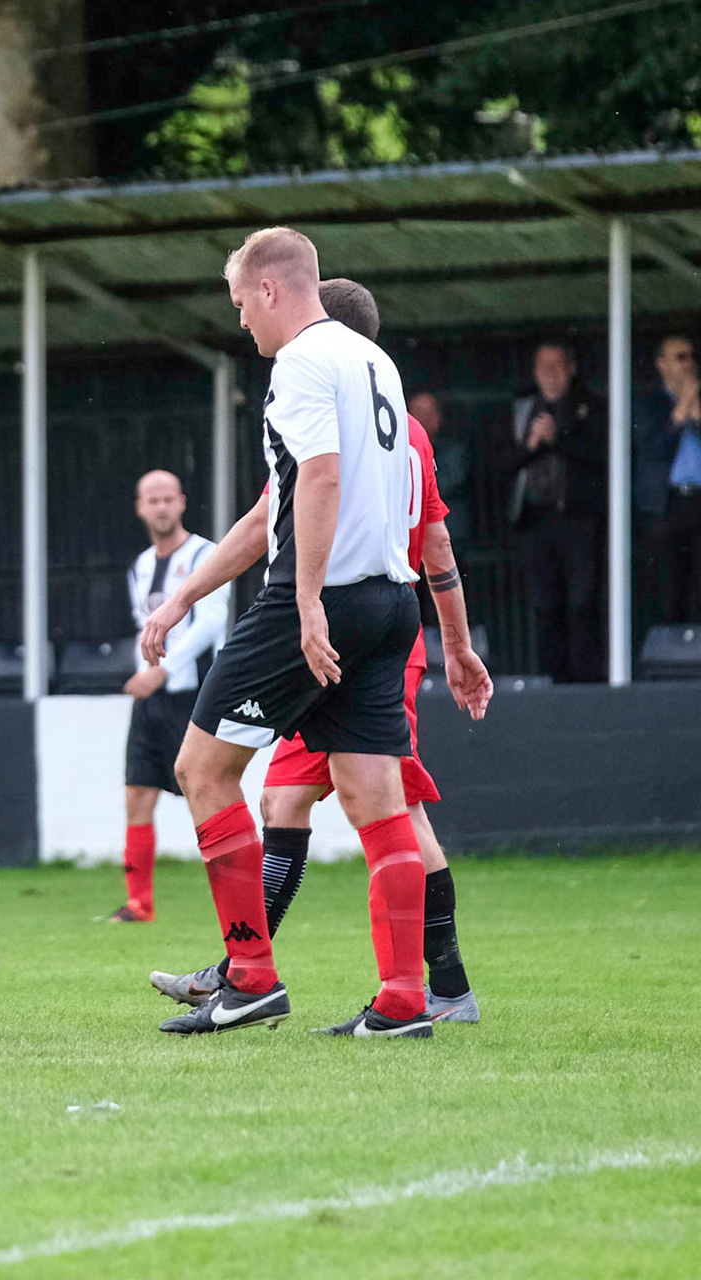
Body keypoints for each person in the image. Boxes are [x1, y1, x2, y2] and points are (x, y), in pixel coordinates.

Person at [149, 278, 493, 1024]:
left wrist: (301, 600)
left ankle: (250, 974)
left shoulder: (309, 372)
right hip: (391, 611)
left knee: (206, 770)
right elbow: (431, 542)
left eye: (243, 301)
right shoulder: (398, 406)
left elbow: (297, 500)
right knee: (371, 802)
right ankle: (409, 995)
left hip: (321, 612)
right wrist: (457, 644)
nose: (244, 318)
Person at [108, 469, 226, 924]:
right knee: (137, 792)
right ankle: (139, 904)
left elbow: (212, 622)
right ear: (140, 508)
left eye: (168, 498)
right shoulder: (139, 566)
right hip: (151, 698)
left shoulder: (205, 554)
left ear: (182, 502)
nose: (161, 507)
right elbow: (145, 628)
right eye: (152, 500)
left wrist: (164, 672)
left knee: (208, 794)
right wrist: (146, 676)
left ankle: (233, 897)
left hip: (195, 694)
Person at [505, 340, 608, 681]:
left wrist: (558, 437)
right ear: (534, 372)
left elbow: (602, 455)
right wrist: (531, 446)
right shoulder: (522, 409)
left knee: (582, 601)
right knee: (545, 603)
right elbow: (502, 464)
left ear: (572, 368)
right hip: (536, 520)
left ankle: (587, 681)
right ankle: (553, 681)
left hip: (579, 519)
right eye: (543, 366)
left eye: (558, 364)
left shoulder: (591, 406)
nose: (550, 373)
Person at [635, 334, 701, 623]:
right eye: (680, 357)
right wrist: (681, 410)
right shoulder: (648, 403)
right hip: (666, 505)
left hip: (698, 498)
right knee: (668, 588)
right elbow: (655, 449)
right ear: (662, 363)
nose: (689, 364)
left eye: (692, 357)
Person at [408, 390, 472, 547]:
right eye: (418, 413)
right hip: (410, 535)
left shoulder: (453, 452)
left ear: (438, 417)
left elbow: (446, 484)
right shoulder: (398, 454)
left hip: (449, 534)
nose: (423, 420)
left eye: (429, 414)